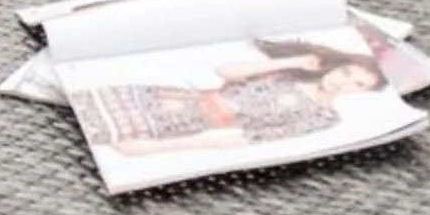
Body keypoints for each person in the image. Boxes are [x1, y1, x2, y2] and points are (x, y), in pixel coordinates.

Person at [75, 35, 390, 157]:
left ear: (363, 94)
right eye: (347, 72)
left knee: (86, 140)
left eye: (358, 84)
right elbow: (227, 71)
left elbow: (247, 138)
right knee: (71, 113)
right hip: (168, 96)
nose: (343, 82)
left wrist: (157, 147)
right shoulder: (295, 71)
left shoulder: (323, 117)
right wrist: (293, 61)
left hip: (184, 124)